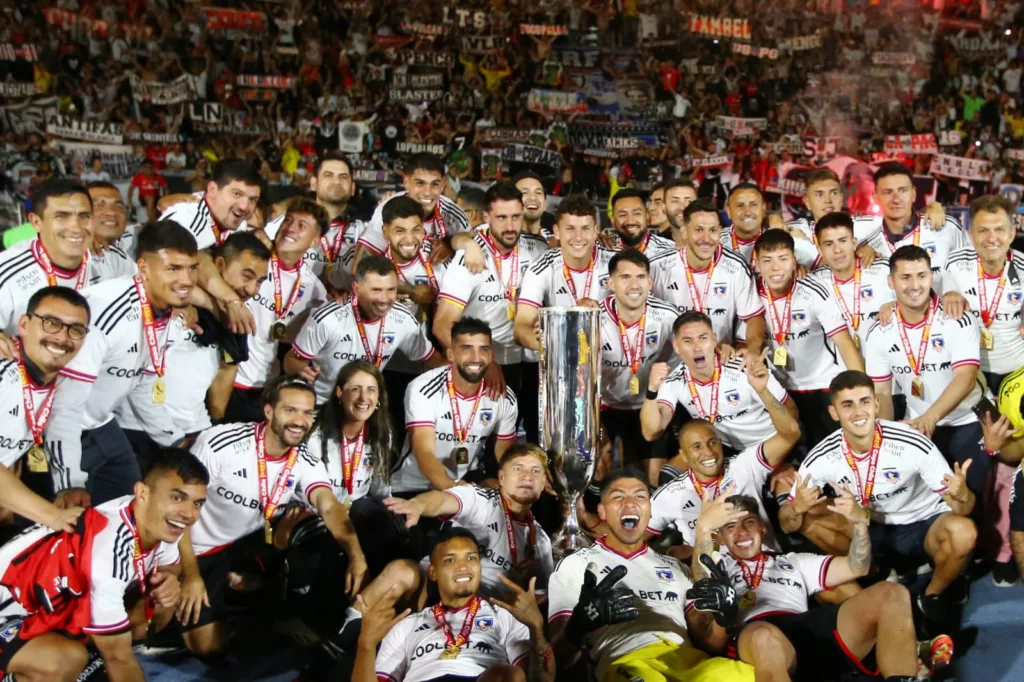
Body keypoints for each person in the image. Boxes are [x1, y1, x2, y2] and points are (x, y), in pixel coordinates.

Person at [176, 375, 366, 657]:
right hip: (193, 547)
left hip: (245, 544)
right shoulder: (221, 443)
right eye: (290, 410)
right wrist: (191, 574)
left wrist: (356, 555)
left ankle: (276, 609)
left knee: (313, 527)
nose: (300, 421)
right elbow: (177, 510)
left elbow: (329, 506)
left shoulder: (304, 460)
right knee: (206, 646)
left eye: (307, 412)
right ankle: (239, 604)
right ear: (268, 411)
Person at [780, 371, 977, 637]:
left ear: (875, 404)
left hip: (924, 522)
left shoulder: (911, 441)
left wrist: (963, 495)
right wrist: (795, 508)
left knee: (965, 532)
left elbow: (963, 510)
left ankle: (929, 598)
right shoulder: (821, 457)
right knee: (807, 519)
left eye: (864, 401)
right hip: (870, 526)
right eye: (847, 405)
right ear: (834, 412)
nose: (858, 411)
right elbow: (786, 524)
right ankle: (876, 572)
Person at [0, 448, 209, 682]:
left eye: (197, 503)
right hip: (8, 611)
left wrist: (168, 577)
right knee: (65, 661)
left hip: (48, 608)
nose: (189, 514)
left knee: (159, 602)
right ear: (142, 493)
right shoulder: (107, 550)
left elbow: (169, 564)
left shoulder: (158, 520)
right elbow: (117, 658)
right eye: (177, 498)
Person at [687, 493, 939, 681]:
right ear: (720, 537)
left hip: (804, 626)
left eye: (749, 522)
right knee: (764, 638)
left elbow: (858, 567)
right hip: (756, 636)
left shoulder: (792, 561)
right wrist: (703, 529)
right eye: (731, 526)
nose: (741, 532)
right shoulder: (719, 565)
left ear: (762, 528)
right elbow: (704, 587)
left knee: (892, 593)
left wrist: (861, 525)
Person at [45, 221, 199, 508]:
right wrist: (68, 482)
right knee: (60, 528)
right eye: (173, 268)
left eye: (192, 267)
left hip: (103, 425)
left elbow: (141, 385)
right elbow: (63, 404)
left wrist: (176, 441)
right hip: (63, 430)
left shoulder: (162, 310)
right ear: (143, 269)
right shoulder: (105, 311)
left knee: (132, 511)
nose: (187, 279)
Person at [548, 469, 754, 682]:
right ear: (602, 512)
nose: (630, 504)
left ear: (650, 510)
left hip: (687, 661)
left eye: (640, 496)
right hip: (627, 662)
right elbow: (555, 661)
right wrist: (580, 623)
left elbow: (711, 642)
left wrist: (724, 617)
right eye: (618, 497)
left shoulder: (676, 567)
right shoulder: (575, 565)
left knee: (749, 676)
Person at [115, 232, 271, 455]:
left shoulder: (237, 316)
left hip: (194, 429)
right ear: (219, 264)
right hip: (139, 426)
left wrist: (214, 426)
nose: (252, 289)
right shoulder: (171, 299)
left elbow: (226, 370)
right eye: (246, 276)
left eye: (259, 281)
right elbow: (198, 259)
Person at [646, 348, 802, 552]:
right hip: (712, 576)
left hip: (766, 567)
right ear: (683, 455)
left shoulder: (744, 466)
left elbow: (791, 433)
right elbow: (631, 538)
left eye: (712, 442)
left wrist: (763, 391)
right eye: (697, 447)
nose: (708, 452)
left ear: (721, 443)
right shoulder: (669, 495)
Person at [354, 527, 554, 682]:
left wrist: (536, 628)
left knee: (507, 674)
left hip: (481, 677)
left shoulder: (504, 616)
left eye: (471, 558)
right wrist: (366, 645)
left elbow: (540, 680)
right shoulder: (408, 625)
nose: (463, 567)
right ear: (433, 572)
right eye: (450, 560)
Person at [863, 245, 987, 493]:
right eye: (905, 277)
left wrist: (930, 418)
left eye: (921, 276)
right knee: (929, 505)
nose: (915, 285)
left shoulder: (958, 318)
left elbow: (966, 379)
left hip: (966, 423)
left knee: (969, 501)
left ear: (931, 277)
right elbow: (882, 392)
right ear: (891, 281)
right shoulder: (878, 330)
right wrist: (888, 437)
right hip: (916, 425)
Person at [434, 181, 550, 443]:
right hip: (491, 366)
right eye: (501, 218)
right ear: (486, 217)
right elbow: (442, 326)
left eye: (515, 217)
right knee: (491, 450)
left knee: (538, 443)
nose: (510, 226)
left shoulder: (539, 249)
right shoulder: (469, 257)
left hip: (534, 363)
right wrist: (483, 362)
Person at [386, 442, 554, 596]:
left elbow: (541, 594)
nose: (527, 476)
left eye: (535, 471)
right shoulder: (480, 499)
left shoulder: (540, 541)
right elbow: (443, 501)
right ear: (501, 477)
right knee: (400, 572)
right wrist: (419, 505)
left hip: (490, 617)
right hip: (437, 592)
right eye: (518, 469)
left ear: (543, 483)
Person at [754, 229, 863, 447]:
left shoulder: (814, 291)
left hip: (822, 385)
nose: (776, 268)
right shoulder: (750, 293)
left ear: (794, 262)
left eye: (783, 259)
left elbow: (843, 341)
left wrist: (861, 389)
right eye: (767, 261)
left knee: (835, 452)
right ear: (756, 264)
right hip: (779, 388)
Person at [284, 255, 441, 405]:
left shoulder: (403, 319)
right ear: (357, 289)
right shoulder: (328, 319)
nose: (384, 299)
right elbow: (291, 360)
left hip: (366, 404)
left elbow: (431, 357)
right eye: (376, 290)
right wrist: (302, 370)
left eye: (391, 290)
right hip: (323, 403)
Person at [226, 198, 328, 422]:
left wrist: (302, 367)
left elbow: (297, 344)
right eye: (288, 221)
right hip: (226, 375)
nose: (291, 228)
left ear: (315, 241)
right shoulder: (251, 257)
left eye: (302, 226)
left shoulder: (314, 291)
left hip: (266, 385)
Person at [391, 317, 518, 495]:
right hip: (414, 488)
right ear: (451, 354)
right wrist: (456, 494)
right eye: (467, 348)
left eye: (483, 349)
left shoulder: (504, 398)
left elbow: (506, 456)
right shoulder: (424, 388)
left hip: (468, 486)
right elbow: (424, 453)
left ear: (491, 356)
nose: (476, 358)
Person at [0, 287, 90, 531]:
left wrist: (70, 485)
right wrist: (52, 516)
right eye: (51, 323)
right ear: (24, 324)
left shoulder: (62, 385)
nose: (62, 337)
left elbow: (63, 431)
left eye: (76, 330)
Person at [642, 311, 795, 453]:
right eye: (688, 341)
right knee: (669, 473)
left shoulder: (743, 368)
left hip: (768, 443)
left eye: (703, 338)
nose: (697, 348)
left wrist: (779, 453)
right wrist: (652, 389)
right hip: (724, 450)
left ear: (714, 339)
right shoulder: (674, 380)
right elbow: (651, 433)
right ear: (676, 346)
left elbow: (792, 412)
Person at [598, 249, 678, 483]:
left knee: (654, 477)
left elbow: (682, 359)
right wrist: (596, 427)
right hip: (603, 406)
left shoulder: (666, 316)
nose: (635, 285)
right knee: (598, 466)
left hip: (646, 404)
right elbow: (580, 379)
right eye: (625, 278)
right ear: (611, 283)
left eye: (641, 277)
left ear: (650, 282)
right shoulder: (593, 317)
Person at [649, 199, 766, 351]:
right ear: (684, 232)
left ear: (719, 230)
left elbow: (753, 316)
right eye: (698, 230)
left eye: (712, 230)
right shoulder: (657, 267)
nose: (706, 238)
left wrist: (751, 350)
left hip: (718, 362)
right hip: (668, 367)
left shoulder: (736, 267)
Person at [941, 194, 1024, 390]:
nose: (991, 238)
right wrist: (949, 292)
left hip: (1017, 372)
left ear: (1012, 234)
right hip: (966, 374)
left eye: (999, 230)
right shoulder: (954, 263)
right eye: (983, 230)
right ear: (971, 235)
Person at [513, 194, 616, 351]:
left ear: (596, 230)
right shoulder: (542, 267)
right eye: (570, 229)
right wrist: (552, 343)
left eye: (585, 228)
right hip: (563, 360)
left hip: (611, 362)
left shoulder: (616, 263)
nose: (578, 237)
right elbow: (521, 326)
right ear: (557, 231)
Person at [0, 179, 100, 337]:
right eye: (61, 216)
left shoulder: (111, 261)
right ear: (36, 222)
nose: (76, 228)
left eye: (84, 216)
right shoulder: (6, 271)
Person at [855, 163, 968, 294]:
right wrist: (855, 250)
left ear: (913, 194)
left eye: (903, 190)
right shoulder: (862, 233)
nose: (896, 199)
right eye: (887, 192)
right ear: (875, 197)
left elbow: (973, 276)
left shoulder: (947, 228)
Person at [264, 152, 361, 277]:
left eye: (343, 177)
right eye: (328, 175)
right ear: (314, 184)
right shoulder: (284, 222)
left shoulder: (363, 228)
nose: (337, 181)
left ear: (352, 188)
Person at [357, 153, 471, 258]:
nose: (427, 192)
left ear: (443, 185)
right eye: (420, 183)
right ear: (406, 182)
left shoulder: (453, 213)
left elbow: (472, 240)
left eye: (435, 184)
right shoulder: (388, 208)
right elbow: (362, 262)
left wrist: (451, 247)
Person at [808, 212, 894, 347]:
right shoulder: (814, 283)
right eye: (829, 244)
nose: (837, 250)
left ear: (854, 243)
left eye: (843, 241)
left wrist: (899, 304)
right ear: (820, 250)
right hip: (842, 367)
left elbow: (921, 299)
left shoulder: (884, 269)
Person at [159, 158, 262, 250]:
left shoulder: (239, 224)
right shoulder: (186, 222)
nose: (244, 207)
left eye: (252, 199)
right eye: (236, 194)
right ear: (212, 190)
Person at [721, 183, 816, 267]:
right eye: (740, 205)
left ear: (763, 207)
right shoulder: (717, 242)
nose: (747, 212)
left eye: (753, 204)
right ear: (728, 210)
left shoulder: (783, 234)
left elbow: (819, 263)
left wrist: (802, 267)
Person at [84, 181, 138, 279]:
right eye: (99, 205)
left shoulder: (135, 238)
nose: (111, 212)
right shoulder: (68, 255)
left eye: (119, 207)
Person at [606, 188, 676, 256]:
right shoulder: (602, 250)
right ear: (612, 221)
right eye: (623, 215)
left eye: (637, 213)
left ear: (647, 217)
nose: (630, 221)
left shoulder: (670, 251)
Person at [514, 170, 555, 242]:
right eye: (524, 192)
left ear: (545, 204)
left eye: (538, 192)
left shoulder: (557, 245)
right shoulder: (496, 241)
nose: (533, 197)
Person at [128, 159, 168, 223]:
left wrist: (165, 198)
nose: (147, 170)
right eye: (145, 168)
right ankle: (151, 222)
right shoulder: (138, 177)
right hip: (143, 197)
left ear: (153, 168)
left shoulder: (159, 177)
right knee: (150, 199)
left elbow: (165, 188)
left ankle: (152, 221)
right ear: (142, 168)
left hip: (156, 197)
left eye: (149, 167)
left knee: (156, 212)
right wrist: (130, 202)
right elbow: (130, 190)